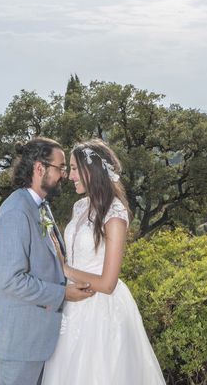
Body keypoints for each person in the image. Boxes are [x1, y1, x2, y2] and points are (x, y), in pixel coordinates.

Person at [42, 138, 165, 385]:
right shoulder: (79, 207)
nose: (70, 175)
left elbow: (108, 283)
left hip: (102, 311)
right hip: (71, 307)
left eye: (75, 169)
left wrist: (64, 267)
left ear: (92, 170)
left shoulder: (115, 213)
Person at [0, 137, 94, 385]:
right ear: (39, 168)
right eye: (60, 167)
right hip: (18, 343)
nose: (64, 174)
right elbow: (11, 281)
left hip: (38, 339)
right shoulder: (15, 212)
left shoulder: (41, 207)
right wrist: (63, 294)